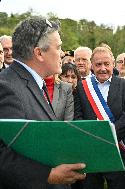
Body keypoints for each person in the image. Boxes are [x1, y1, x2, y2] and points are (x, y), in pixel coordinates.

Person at [0, 17, 86, 189]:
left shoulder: (34, 82)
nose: (62, 53)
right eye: (59, 47)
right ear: (39, 53)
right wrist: (48, 175)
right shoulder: (6, 87)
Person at [74, 46, 125, 189]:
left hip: (118, 150)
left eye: (106, 64)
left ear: (113, 64)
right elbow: (78, 116)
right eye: (98, 64)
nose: (103, 68)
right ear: (92, 66)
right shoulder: (82, 87)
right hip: (91, 151)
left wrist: (107, 137)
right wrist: (92, 137)